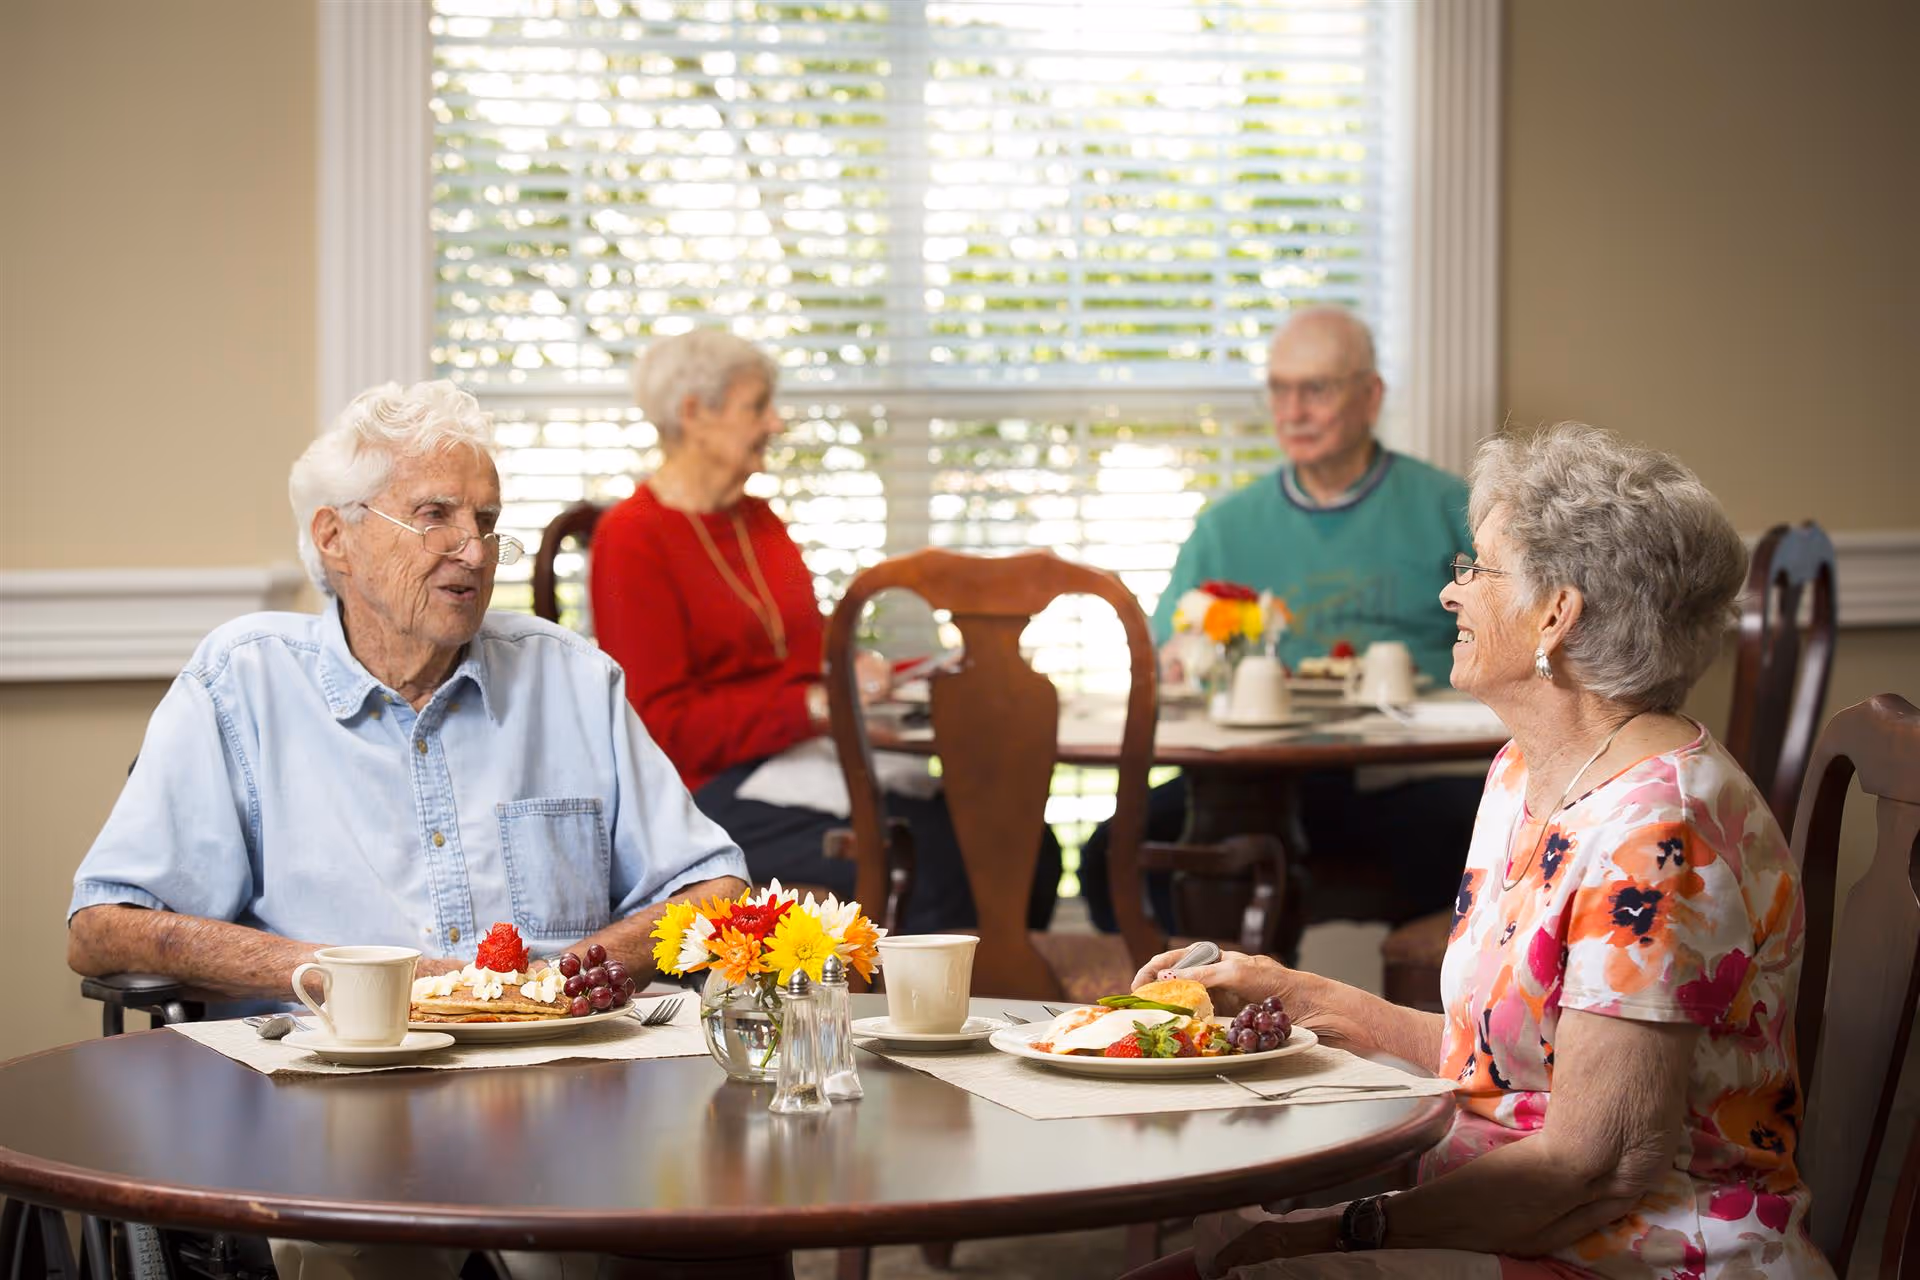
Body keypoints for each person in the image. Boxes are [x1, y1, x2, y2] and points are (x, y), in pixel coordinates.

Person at [66, 379, 747, 1280]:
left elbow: (714, 888)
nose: (475, 548)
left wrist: (596, 963)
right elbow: (102, 925)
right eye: (435, 515)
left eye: (488, 519)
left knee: (698, 1221)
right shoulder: (245, 680)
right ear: (335, 538)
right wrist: (331, 974)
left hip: (570, 1102)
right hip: (337, 1109)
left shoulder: (571, 680)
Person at [1127, 423, 1830, 1280]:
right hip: (1508, 1224)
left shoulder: (1659, 834)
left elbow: (1592, 1166)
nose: (1452, 594)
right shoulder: (1527, 769)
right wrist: (1295, 990)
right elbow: (1500, 1060)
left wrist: (1342, 1229)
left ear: (1556, 614)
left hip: (1638, 1255)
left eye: (1478, 569)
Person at [588, 330, 1059, 932]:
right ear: (694, 415)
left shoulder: (760, 520)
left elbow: (806, 651)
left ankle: (1013, 1012)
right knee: (949, 861)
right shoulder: (631, 538)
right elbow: (662, 726)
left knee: (1026, 840)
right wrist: (811, 704)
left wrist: (857, 671)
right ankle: (934, 1017)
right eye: (757, 406)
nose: (776, 423)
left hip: (806, 760)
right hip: (707, 796)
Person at [1080, 307, 1478, 934]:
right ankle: (1188, 1016)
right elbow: (1168, 660)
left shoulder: (1451, 508)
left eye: (1316, 389)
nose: (1292, 411)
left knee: (1479, 831)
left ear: (1370, 396)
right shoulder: (1225, 528)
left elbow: (1515, 637)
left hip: (1403, 782)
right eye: (1279, 389)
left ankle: (1425, 1026)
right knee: (1111, 852)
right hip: (1247, 785)